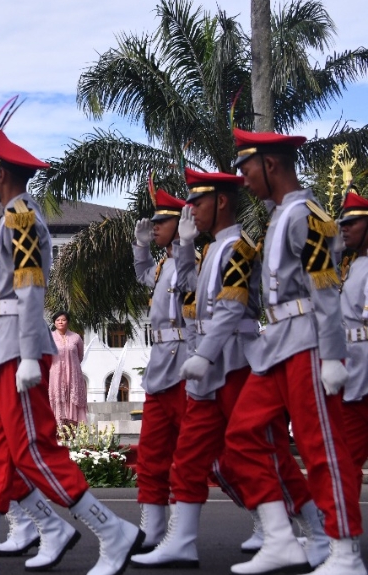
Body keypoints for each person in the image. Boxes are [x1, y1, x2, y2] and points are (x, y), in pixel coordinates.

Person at [0, 105, 138, 575]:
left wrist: (31, 353)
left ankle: (111, 530)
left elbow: (30, 289)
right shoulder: (9, 218)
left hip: (16, 349)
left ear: (2, 173)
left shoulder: (23, 217)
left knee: (34, 450)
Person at [136, 167, 319, 569]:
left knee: (266, 452)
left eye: (197, 203)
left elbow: (232, 307)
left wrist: (204, 354)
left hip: (234, 359)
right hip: (208, 361)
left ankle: (316, 532)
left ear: (220, 202)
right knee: (189, 455)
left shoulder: (239, 246)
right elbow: (186, 292)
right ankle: (181, 538)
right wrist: (184, 248)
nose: (191, 212)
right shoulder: (209, 250)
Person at [224, 129, 364, 575]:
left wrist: (333, 357)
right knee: (241, 436)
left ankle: (345, 552)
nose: (244, 180)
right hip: (278, 346)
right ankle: (281, 537)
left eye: (247, 169)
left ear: (271, 165)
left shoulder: (307, 214)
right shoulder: (282, 215)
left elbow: (325, 291)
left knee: (321, 448)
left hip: (307, 342)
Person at [128, 187, 190, 551]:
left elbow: (187, 281)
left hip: (184, 364)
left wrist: (184, 244)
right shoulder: (165, 264)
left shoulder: (189, 260)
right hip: (161, 365)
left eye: (161, 222)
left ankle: (266, 522)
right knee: (150, 454)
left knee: (203, 457)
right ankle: (152, 529)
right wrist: (141, 249)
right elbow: (144, 275)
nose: (154, 227)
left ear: (179, 224)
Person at [340, 190, 368, 468]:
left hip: (362, 372)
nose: (344, 228)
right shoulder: (354, 265)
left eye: (352, 223)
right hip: (353, 373)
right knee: (345, 462)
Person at [47, 311, 87, 426]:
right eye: (58, 320)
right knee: (58, 399)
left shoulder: (76, 337)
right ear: (54, 322)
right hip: (55, 374)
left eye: (63, 320)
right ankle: (58, 430)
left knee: (73, 400)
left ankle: (73, 429)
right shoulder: (49, 337)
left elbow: (80, 356)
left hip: (73, 374)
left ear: (68, 322)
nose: (60, 322)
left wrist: (72, 366)